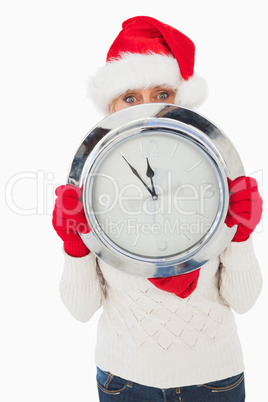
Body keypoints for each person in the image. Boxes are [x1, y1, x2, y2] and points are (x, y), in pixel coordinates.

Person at [52, 16, 263, 401]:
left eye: (162, 94)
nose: (145, 109)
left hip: (215, 380)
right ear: (111, 107)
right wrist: (75, 244)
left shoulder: (215, 178)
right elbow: (81, 310)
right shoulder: (93, 187)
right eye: (130, 98)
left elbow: (245, 301)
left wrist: (242, 234)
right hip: (124, 382)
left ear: (181, 101)